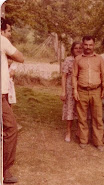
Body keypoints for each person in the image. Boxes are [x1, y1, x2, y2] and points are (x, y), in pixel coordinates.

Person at [72, 35, 104, 152]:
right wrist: (75, 90)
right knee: (82, 117)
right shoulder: (78, 59)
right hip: (82, 91)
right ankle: (83, 140)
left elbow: (103, 74)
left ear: (94, 45)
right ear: (82, 45)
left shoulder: (99, 59)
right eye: (86, 45)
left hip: (96, 91)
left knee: (97, 117)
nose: (88, 47)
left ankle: (98, 141)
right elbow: (74, 75)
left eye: (90, 45)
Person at [1, 17, 24, 184]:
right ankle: (5, 171)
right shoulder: (1, 40)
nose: (9, 34)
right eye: (7, 30)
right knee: (11, 128)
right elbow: (20, 57)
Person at [60, 41, 82, 142]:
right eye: (76, 48)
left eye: (80, 48)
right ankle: (68, 131)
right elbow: (64, 76)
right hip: (70, 87)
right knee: (70, 109)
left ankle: (79, 131)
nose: (78, 50)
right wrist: (63, 91)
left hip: (81, 87)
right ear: (72, 50)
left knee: (80, 110)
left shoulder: (84, 59)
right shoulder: (68, 60)